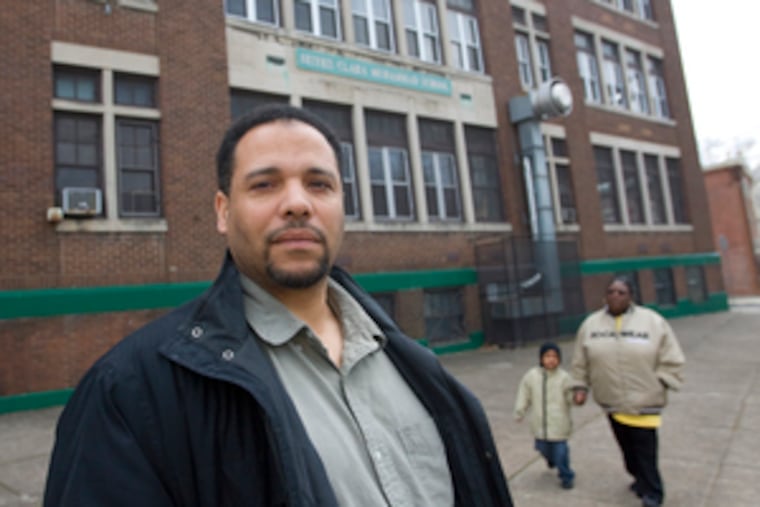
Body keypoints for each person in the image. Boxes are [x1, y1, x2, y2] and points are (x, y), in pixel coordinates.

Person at [43, 104, 513, 507]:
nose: (297, 204)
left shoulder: (413, 363)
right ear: (223, 212)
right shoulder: (129, 393)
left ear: (341, 204)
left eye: (319, 184)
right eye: (265, 185)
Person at [570, 276, 685, 507]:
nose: (615, 296)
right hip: (611, 401)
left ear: (631, 296)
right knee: (627, 449)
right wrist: (580, 386)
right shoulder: (591, 325)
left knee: (645, 450)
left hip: (645, 401)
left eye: (621, 292)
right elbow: (580, 361)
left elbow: (671, 357)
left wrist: (661, 382)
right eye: (611, 291)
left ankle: (653, 492)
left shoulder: (652, 322)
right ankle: (639, 479)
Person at [513, 341, 575, 489]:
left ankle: (566, 476)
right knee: (542, 448)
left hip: (559, 424)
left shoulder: (565, 378)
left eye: (554, 356)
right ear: (541, 358)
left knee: (561, 452)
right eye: (547, 356)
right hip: (539, 424)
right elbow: (524, 394)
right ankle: (551, 459)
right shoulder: (532, 376)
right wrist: (519, 410)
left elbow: (570, 396)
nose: (551, 359)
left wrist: (576, 397)